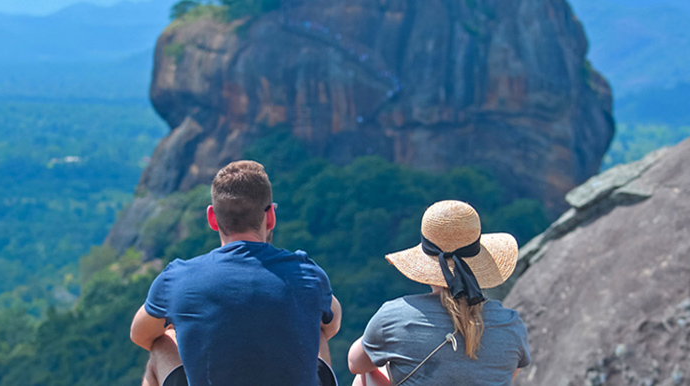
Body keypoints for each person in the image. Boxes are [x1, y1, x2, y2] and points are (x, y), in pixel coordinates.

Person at [129, 160, 343, 386]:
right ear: (270, 217)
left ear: (212, 218)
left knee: (162, 344)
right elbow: (332, 323)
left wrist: (186, 327)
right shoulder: (307, 274)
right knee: (315, 330)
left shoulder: (177, 279)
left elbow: (140, 334)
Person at [347, 200, 530, 386]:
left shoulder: (395, 316)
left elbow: (355, 364)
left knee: (365, 375)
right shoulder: (511, 324)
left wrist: (383, 332)